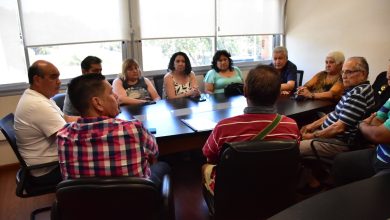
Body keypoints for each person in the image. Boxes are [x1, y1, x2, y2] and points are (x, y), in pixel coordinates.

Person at [202, 65, 300, 196]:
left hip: (235, 193)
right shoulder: (291, 126)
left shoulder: (223, 127)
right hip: (275, 190)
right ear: (278, 94)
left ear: (245, 91)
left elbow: (210, 157)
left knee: (205, 167)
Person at [57, 74, 170, 187]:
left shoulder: (63, 136)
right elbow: (155, 152)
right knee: (163, 166)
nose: (116, 96)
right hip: (134, 200)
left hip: (84, 202)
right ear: (97, 103)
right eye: (111, 92)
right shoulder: (133, 129)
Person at [14, 60, 76, 186]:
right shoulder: (38, 104)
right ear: (37, 80)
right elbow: (70, 138)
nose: (59, 81)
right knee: (98, 161)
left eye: (58, 77)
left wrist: (98, 119)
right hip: (46, 170)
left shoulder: (38, 97)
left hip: (46, 163)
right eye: (53, 77)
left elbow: (66, 118)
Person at [300, 56, 375, 157]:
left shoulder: (357, 94)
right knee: (300, 131)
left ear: (363, 74)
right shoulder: (356, 89)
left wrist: (312, 136)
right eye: (343, 72)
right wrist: (311, 125)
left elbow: (338, 128)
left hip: (338, 142)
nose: (344, 76)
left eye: (349, 72)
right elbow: (336, 113)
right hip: (328, 135)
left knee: (293, 147)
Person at [332, 94, 390, 186]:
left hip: (387, 165)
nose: (387, 78)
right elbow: (376, 121)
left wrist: (362, 124)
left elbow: (376, 135)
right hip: (379, 152)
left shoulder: (358, 95)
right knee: (340, 161)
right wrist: (373, 129)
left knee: (369, 195)